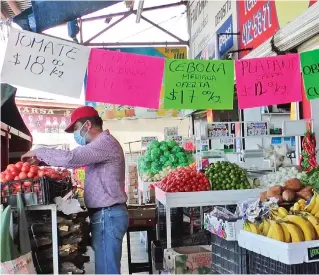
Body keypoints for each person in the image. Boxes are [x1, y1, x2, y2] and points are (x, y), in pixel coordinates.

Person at [21, 106, 128, 274]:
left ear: (87, 125)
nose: (75, 134)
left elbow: (72, 158)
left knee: (108, 271)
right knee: (106, 268)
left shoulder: (104, 143)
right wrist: (41, 163)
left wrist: (39, 151)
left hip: (108, 215)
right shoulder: (99, 146)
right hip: (106, 215)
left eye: (76, 129)